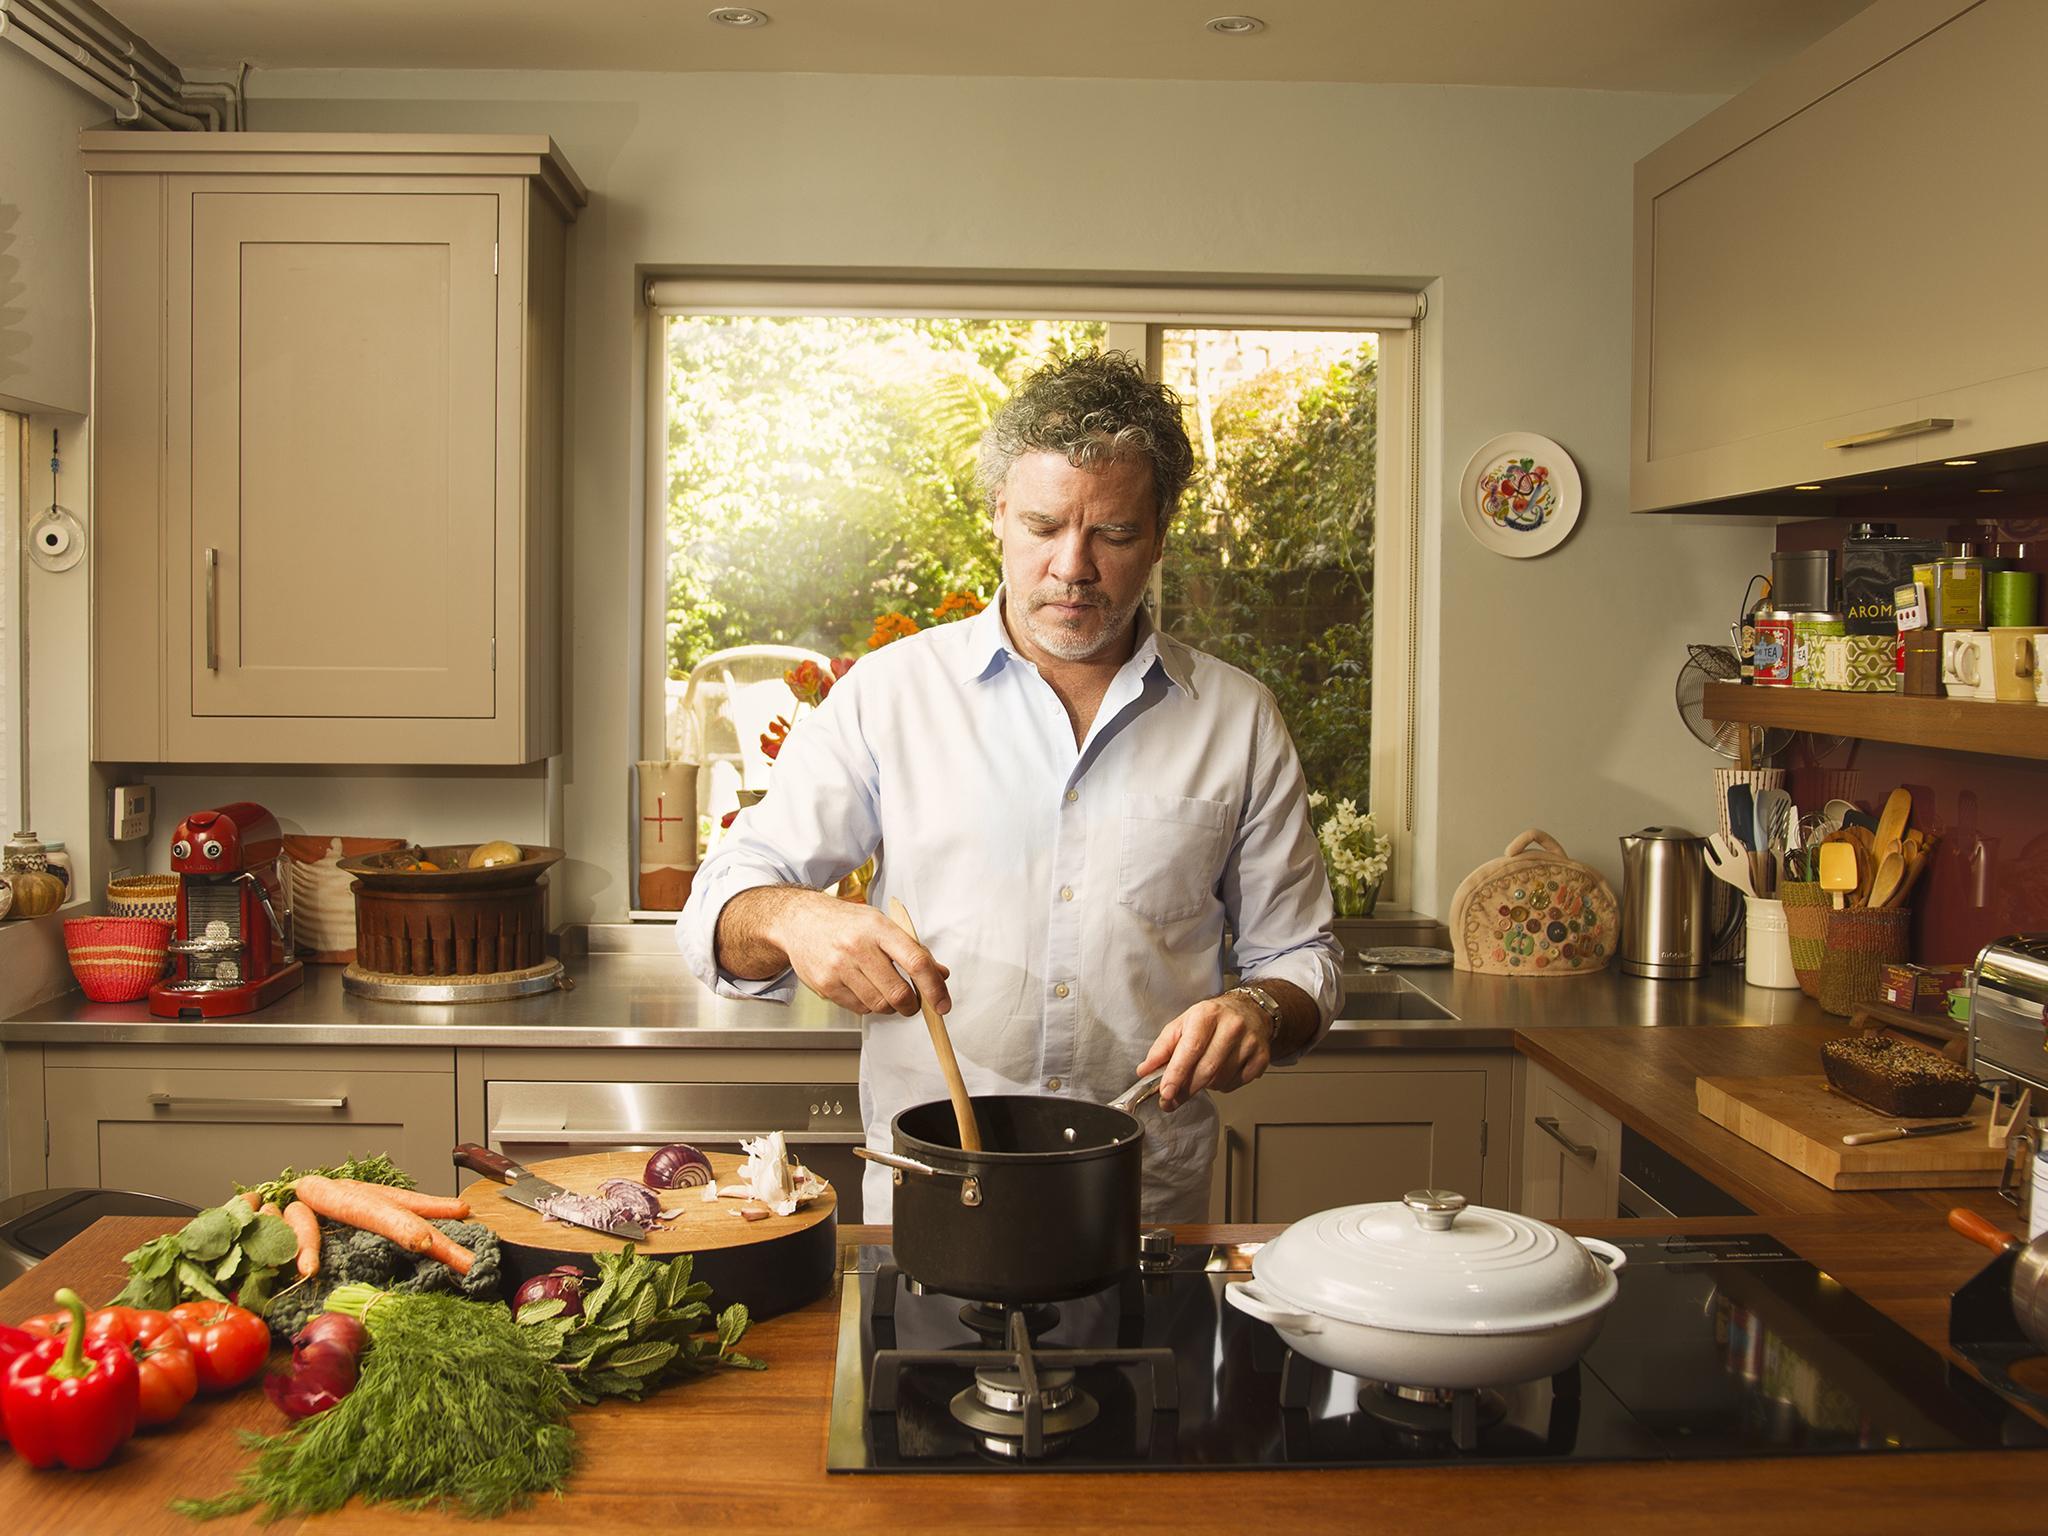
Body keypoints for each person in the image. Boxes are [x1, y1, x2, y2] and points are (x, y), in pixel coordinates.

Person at [677, 350, 1342, 1223]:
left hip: (1143, 1211)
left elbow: (1304, 958)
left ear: (1160, 534)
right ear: (998, 515)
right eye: (1042, 526)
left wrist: (1256, 1006)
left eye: (1113, 533)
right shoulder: (890, 696)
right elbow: (717, 909)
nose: (1073, 567)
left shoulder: (1238, 720)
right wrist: (794, 917)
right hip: (932, 1204)